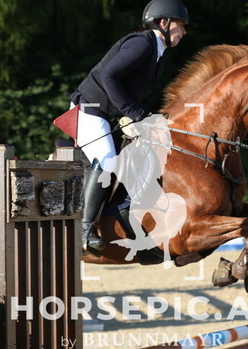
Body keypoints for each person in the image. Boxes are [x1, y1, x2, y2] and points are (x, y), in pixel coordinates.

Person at [70, 0, 191, 254]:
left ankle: (126, 219)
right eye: (181, 25)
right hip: (90, 110)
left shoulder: (157, 53)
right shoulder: (142, 44)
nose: (184, 32)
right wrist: (134, 113)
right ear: (164, 23)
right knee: (107, 160)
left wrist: (145, 116)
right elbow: (109, 76)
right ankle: (84, 230)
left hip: (109, 116)